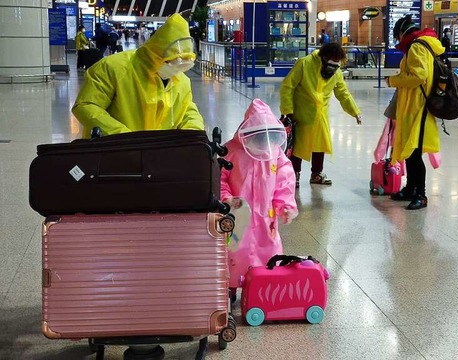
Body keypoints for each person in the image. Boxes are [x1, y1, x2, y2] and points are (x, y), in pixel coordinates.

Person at [72, 14, 204, 138]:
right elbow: (86, 105)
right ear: (155, 54)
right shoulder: (113, 68)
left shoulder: (180, 80)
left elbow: (187, 110)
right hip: (114, 155)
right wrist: (124, 137)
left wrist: (193, 137)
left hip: (157, 157)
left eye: (180, 63)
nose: (175, 67)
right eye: (170, 61)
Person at [221, 99, 298, 301]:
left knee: (267, 250)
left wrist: (285, 206)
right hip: (238, 214)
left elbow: (284, 181)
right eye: (258, 137)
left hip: (266, 214)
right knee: (235, 251)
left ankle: (263, 286)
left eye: (267, 136)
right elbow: (220, 178)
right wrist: (226, 198)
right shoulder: (231, 151)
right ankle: (231, 286)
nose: (263, 142)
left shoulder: (275, 153)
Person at [280, 43, 362, 187]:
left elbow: (342, 93)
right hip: (301, 114)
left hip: (320, 115)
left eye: (336, 65)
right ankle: (295, 175)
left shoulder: (336, 72)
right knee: (298, 146)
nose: (333, 68)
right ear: (323, 58)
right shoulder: (304, 64)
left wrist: (354, 111)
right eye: (331, 64)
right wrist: (288, 111)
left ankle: (317, 174)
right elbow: (288, 86)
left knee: (320, 144)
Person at [384, 14, 442, 210]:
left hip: (419, 108)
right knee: (410, 152)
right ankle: (410, 188)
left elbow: (418, 76)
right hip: (413, 107)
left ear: (402, 33)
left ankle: (421, 194)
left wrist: (394, 80)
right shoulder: (423, 45)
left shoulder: (417, 47)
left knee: (415, 153)